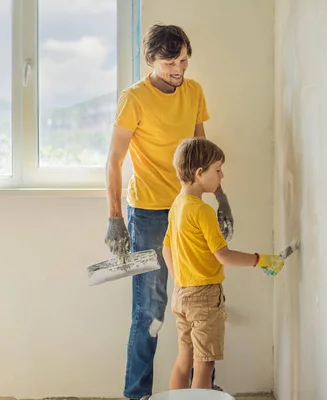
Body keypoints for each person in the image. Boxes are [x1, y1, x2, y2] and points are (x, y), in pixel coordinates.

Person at [104, 24, 233, 400]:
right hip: (146, 213)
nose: (179, 70)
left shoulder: (193, 91)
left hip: (187, 210)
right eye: (170, 62)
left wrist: (220, 197)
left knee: (199, 299)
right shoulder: (134, 99)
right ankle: (137, 394)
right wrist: (115, 219)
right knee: (150, 309)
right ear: (151, 60)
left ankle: (200, 389)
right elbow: (114, 160)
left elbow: (201, 153)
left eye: (184, 60)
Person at [163, 137, 285, 389]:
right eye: (217, 170)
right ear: (199, 173)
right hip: (205, 297)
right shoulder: (202, 211)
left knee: (184, 360)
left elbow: (166, 249)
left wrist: (180, 281)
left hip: (181, 295)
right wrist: (260, 260)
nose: (222, 175)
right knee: (204, 364)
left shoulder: (177, 205)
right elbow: (224, 255)